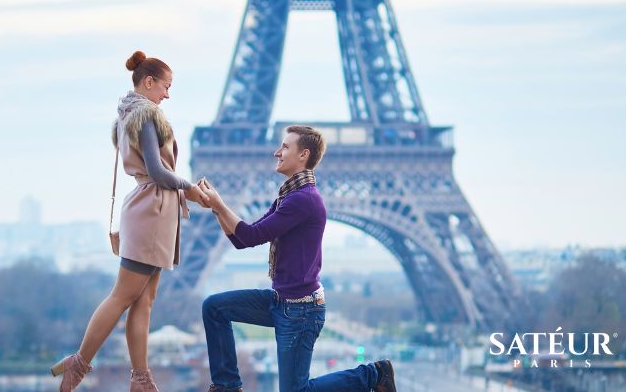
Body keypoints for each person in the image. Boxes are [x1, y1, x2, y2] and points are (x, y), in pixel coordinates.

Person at [51, 50, 210, 392]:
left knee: (144, 300)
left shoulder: (130, 114)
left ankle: (141, 379)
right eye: (165, 86)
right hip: (151, 211)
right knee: (123, 295)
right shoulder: (147, 114)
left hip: (153, 209)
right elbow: (156, 170)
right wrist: (191, 189)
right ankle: (78, 365)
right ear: (148, 82)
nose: (168, 94)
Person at [198, 125, 397, 392]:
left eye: (285, 147)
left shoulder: (304, 200)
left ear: (303, 155)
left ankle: (373, 374)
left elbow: (252, 235)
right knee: (214, 307)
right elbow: (241, 239)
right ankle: (227, 386)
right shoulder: (289, 196)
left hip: (301, 311)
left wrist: (220, 204)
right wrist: (215, 209)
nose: (276, 152)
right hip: (281, 301)